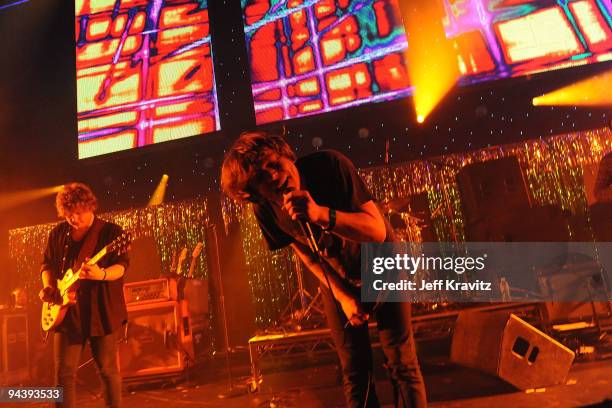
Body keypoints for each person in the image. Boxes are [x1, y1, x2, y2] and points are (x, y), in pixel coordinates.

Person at [221, 131, 427, 407]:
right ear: (253, 194)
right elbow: (307, 255)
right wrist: (343, 296)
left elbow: (376, 231)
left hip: (384, 264)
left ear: (286, 155)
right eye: (260, 177)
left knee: (401, 361)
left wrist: (320, 215)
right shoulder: (265, 209)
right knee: (355, 370)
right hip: (337, 277)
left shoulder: (330, 165)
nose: (272, 176)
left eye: (273, 164)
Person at [39, 183, 129, 408]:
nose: (73, 219)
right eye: (69, 214)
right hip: (68, 313)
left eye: (78, 213)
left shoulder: (112, 233)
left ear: (90, 206)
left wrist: (102, 274)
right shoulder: (58, 233)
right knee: (63, 374)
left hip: (101, 311)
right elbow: (47, 265)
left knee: (108, 371)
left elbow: (122, 267)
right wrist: (49, 286)